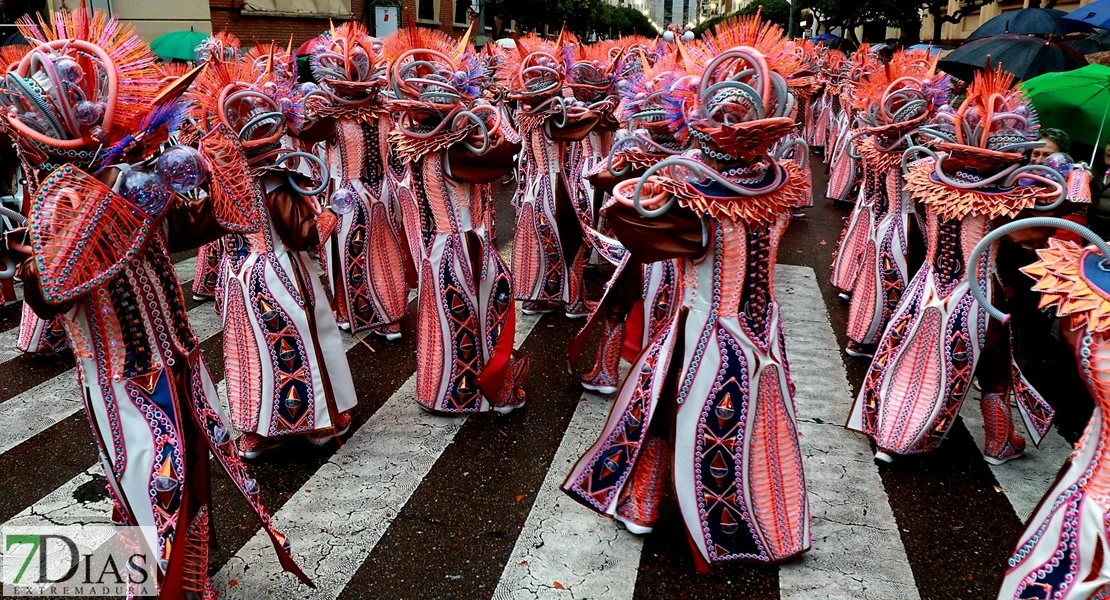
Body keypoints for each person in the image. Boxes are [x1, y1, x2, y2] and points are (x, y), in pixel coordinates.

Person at [3, 10, 308, 596]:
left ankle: (188, 575)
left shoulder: (132, 187)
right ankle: (165, 585)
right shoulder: (56, 208)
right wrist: (110, 202)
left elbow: (203, 222)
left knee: (192, 472)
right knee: (153, 483)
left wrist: (225, 168)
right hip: (120, 376)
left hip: (176, 360)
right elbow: (47, 293)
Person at [563, 16, 812, 570]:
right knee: (676, 407)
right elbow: (628, 216)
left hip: (736, 326)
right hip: (715, 323)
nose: (729, 120)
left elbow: (631, 216)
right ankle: (656, 500)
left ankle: (702, 507)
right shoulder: (716, 184)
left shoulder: (757, 181)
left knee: (701, 411)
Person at [848, 67, 1057, 465]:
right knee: (993, 369)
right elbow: (1034, 235)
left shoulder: (931, 177)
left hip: (926, 288)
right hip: (977, 295)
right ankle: (995, 442)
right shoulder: (1009, 194)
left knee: (907, 355)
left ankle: (892, 431)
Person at [187, 43, 359, 459]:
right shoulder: (276, 178)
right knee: (301, 339)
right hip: (278, 273)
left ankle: (258, 429)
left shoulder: (220, 180)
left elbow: (203, 225)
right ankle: (316, 424)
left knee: (249, 354)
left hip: (236, 278)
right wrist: (330, 215)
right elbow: (302, 236)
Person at [386, 24, 529, 414]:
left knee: (457, 319)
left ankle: (447, 389)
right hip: (461, 247)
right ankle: (478, 391)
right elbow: (506, 154)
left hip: (443, 249)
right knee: (476, 316)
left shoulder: (421, 144)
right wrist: (489, 115)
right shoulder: (451, 152)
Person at [829, 50, 946, 358]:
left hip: (881, 221)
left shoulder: (876, 142)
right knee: (893, 282)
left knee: (877, 279)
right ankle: (879, 340)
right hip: (902, 227)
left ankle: (863, 334)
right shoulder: (914, 152)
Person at [304, 23, 410, 340]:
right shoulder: (342, 112)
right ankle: (366, 313)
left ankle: (378, 314)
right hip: (363, 194)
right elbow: (305, 133)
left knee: (370, 252)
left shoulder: (378, 109)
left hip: (364, 194)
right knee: (356, 253)